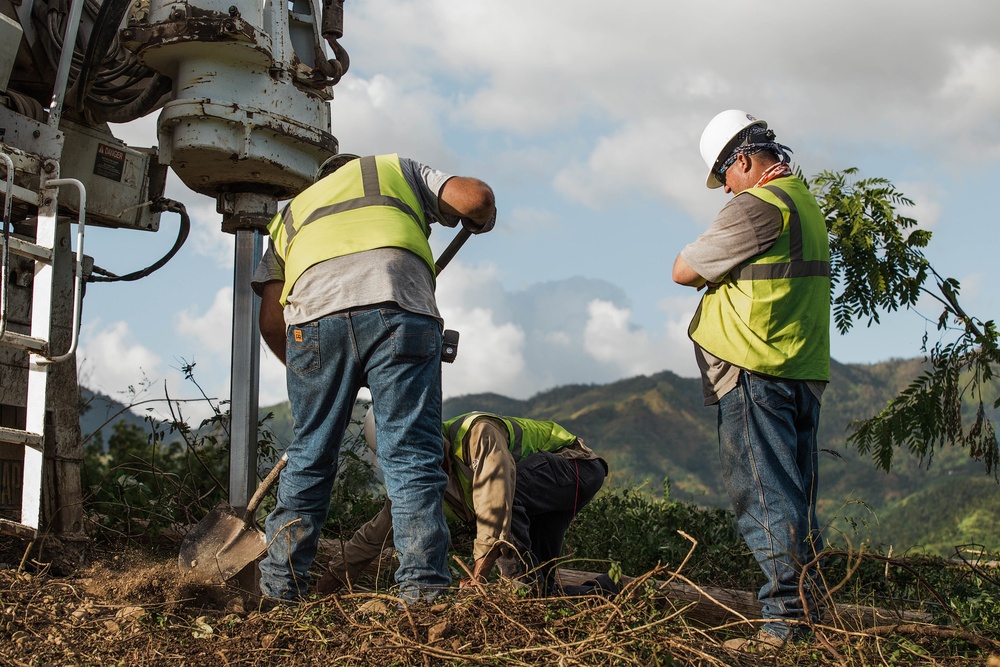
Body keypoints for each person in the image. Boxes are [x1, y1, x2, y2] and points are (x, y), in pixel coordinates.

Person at [253, 153, 496, 604]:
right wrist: (485, 217)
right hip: (398, 307)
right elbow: (476, 199)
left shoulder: (290, 214)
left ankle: (280, 591)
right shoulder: (391, 168)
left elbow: (271, 322)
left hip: (313, 325)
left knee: (309, 454)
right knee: (410, 458)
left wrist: (317, 372)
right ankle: (422, 593)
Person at [671, 111, 830, 651]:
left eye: (726, 178)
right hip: (799, 367)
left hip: (755, 367)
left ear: (741, 160)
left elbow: (683, 269)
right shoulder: (804, 202)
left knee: (765, 496)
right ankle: (814, 620)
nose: (727, 192)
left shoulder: (759, 206)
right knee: (796, 499)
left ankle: (784, 627)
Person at [317, 410, 609, 596]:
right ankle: (609, 591)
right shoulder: (418, 486)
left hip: (576, 467)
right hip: (542, 503)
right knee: (540, 593)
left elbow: (497, 498)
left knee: (511, 495)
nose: (419, 467)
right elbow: (376, 534)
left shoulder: (477, 434)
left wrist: (477, 574)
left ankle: (517, 589)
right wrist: (334, 576)